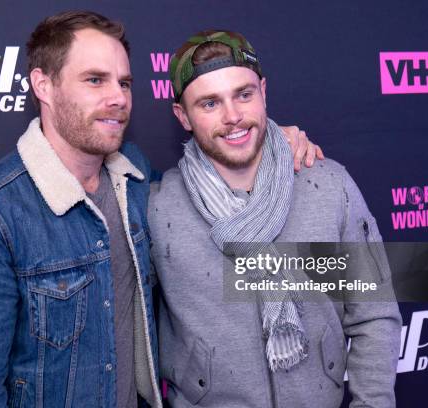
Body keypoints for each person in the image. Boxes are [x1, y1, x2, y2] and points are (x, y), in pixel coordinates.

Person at [0, 11, 321, 408]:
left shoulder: (135, 181)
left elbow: (367, 291)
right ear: (43, 86)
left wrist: (272, 144)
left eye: (125, 83)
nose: (118, 97)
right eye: (95, 80)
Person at [148, 30, 402, 407]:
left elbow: (373, 316)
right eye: (209, 104)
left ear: (263, 91)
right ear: (182, 115)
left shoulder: (329, 187)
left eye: (243, 95)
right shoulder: (156, 208)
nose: (233, 117)